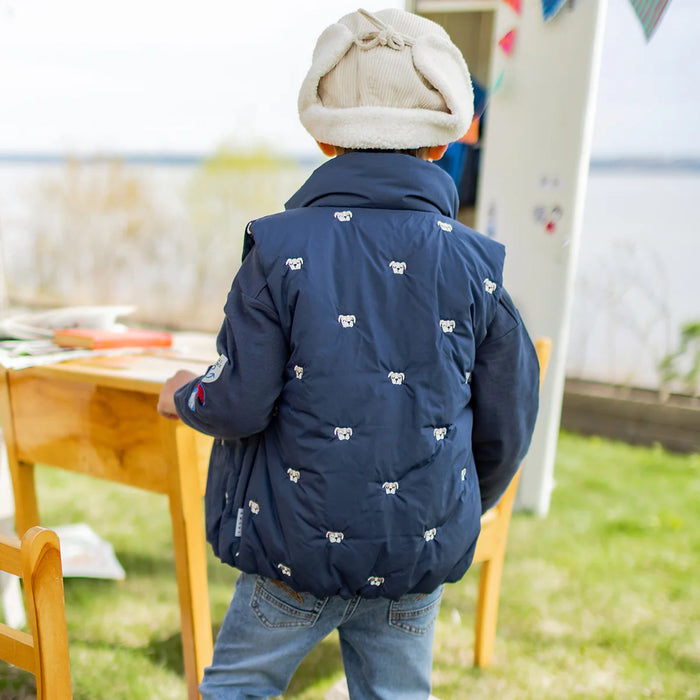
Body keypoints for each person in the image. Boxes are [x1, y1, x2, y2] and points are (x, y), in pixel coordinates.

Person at [157, 8, 540, 699]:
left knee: (237, 688)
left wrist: (187, 394)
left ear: (324, 139)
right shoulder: (478, 267)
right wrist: (443, 509)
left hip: (290, 555)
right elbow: (506, 426)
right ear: (439, 147)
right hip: (414, 553)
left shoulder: (278, 252)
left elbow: (239, 399)